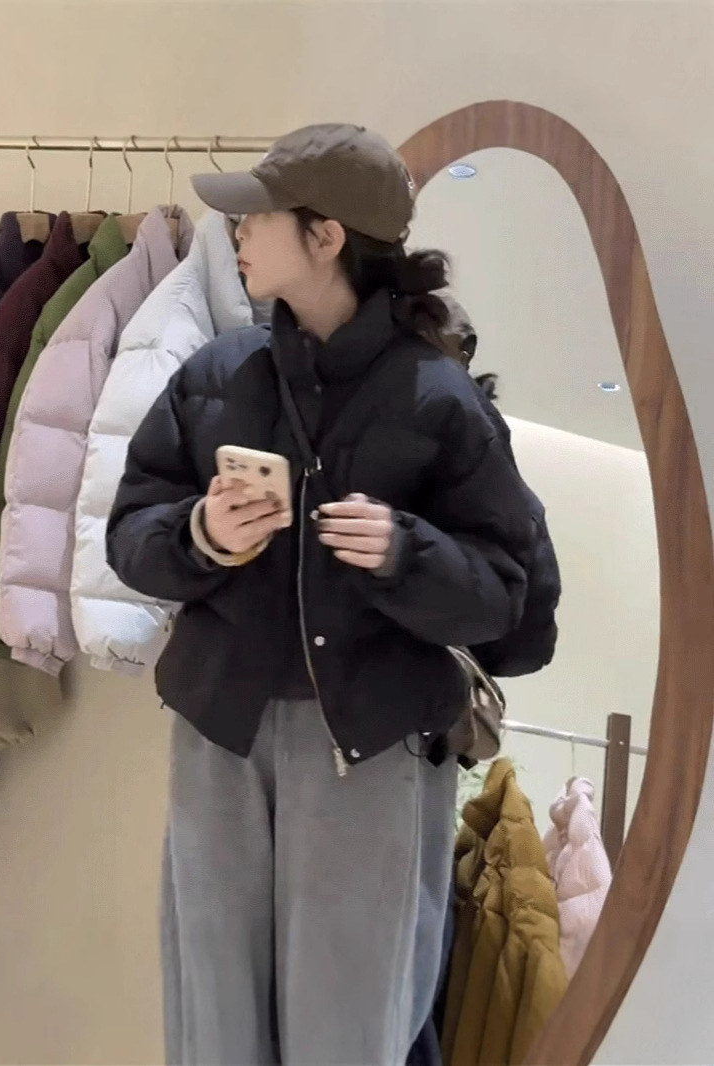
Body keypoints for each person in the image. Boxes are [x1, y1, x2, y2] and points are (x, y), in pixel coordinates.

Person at [106, 123, 542, 1066]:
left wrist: (404, 552)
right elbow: (130, 539)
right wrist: (202, 536)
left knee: (347, 1023)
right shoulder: (216, 375)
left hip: (368, 747)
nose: (235, 233)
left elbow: (512, 602)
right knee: (213, 1015)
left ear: (326, 235)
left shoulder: (440, 399)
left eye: (256, 216)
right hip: (220, 733)